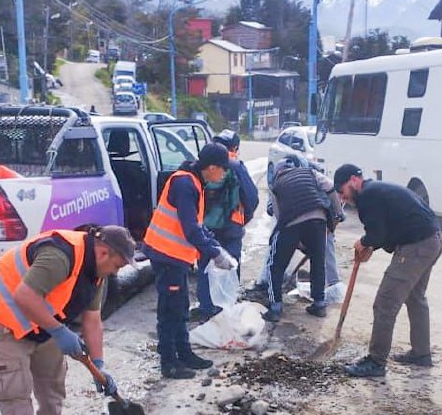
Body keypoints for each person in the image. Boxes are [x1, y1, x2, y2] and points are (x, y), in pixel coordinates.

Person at [0, 225, 134, 415]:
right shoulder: (60, 255)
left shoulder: (95, 272)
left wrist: (99, 364)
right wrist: (58, 331)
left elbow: (93, 319)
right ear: (103, 253)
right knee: (14, 387)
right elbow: (24, 296)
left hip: (38, 319)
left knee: (52, 372)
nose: (116, 272)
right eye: (118, 266)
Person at [333, 164, 442, 379]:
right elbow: (384, 232)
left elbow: (377, 233)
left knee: (385, 302)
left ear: (354, 181)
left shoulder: (368, 197)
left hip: (418, 245)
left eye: (342, 190)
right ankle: (421, 354)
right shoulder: (376, 191)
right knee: (415, 298)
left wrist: (364, 242)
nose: (342, 197)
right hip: (432, 240)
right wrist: (371, 245)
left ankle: (376, 362)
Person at [142, 142, 236, 379]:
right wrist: (215, 254)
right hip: (166, 254)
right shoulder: (185, 184)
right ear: (212, 167)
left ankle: (184, 353)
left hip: (176, 256)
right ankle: (169, 362)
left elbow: (198, 226)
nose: (224, 174)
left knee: (181, 306)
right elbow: (190, 230)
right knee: (170, 309)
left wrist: (215, 246)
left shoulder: (194, 182)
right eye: (223, 169)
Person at [191, 129, 259, 321]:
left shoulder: (204, 164)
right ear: (235, 147)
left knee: (205, 265)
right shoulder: (235, 165)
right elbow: (251, 197)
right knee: (230, 266)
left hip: (206, 227)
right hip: (231, 228)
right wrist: (242, 219)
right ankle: (227, 309)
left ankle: (206, 308)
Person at [262, 157, 340, 322]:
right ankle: (319, 304)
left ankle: (275, 307)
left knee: (274, 266)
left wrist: (287, 241)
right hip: (319, 219)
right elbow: (331, 187)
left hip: (292, 222)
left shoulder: (276, 186)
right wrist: (337, 214)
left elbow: (279, 216)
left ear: (277, 173)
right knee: (318, 262)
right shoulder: (310, 172)